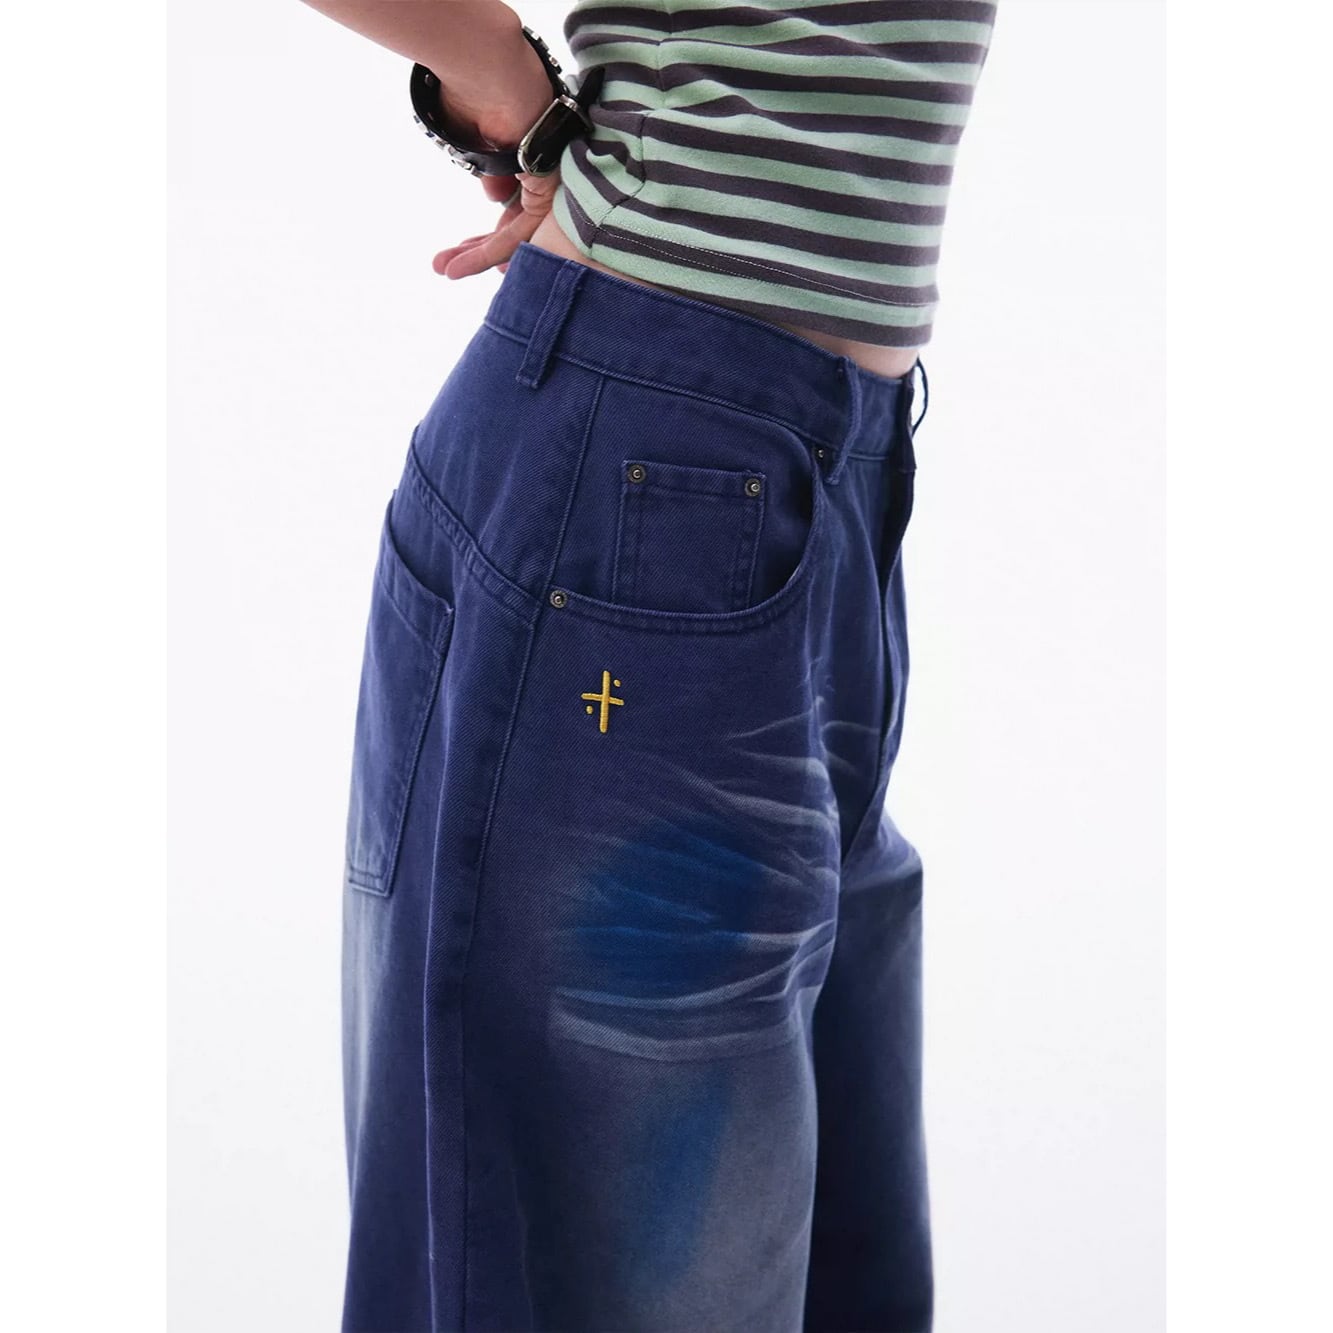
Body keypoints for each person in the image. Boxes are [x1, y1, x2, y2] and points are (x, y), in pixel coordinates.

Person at [300, 3, 995, 1329]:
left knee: (812, 1244)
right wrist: (502, 80)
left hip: (809, 472)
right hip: (638, 472)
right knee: (613, 1257)